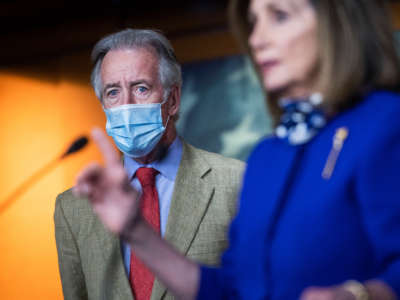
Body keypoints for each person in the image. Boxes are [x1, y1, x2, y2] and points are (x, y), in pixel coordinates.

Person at [73, 0, 400, 299]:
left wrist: (360, 294)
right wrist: (135, 231)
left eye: (280, 16)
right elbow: (231, 290)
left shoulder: (387, 124)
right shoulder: (266, 158)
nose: (257, 38)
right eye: (254, 22)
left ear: (337, 22)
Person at [54, 29, 244, 300]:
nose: (127, 105)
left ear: (173, 100)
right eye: (113, 92)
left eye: (141, 88)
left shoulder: (236, 182)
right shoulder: (73, 208)